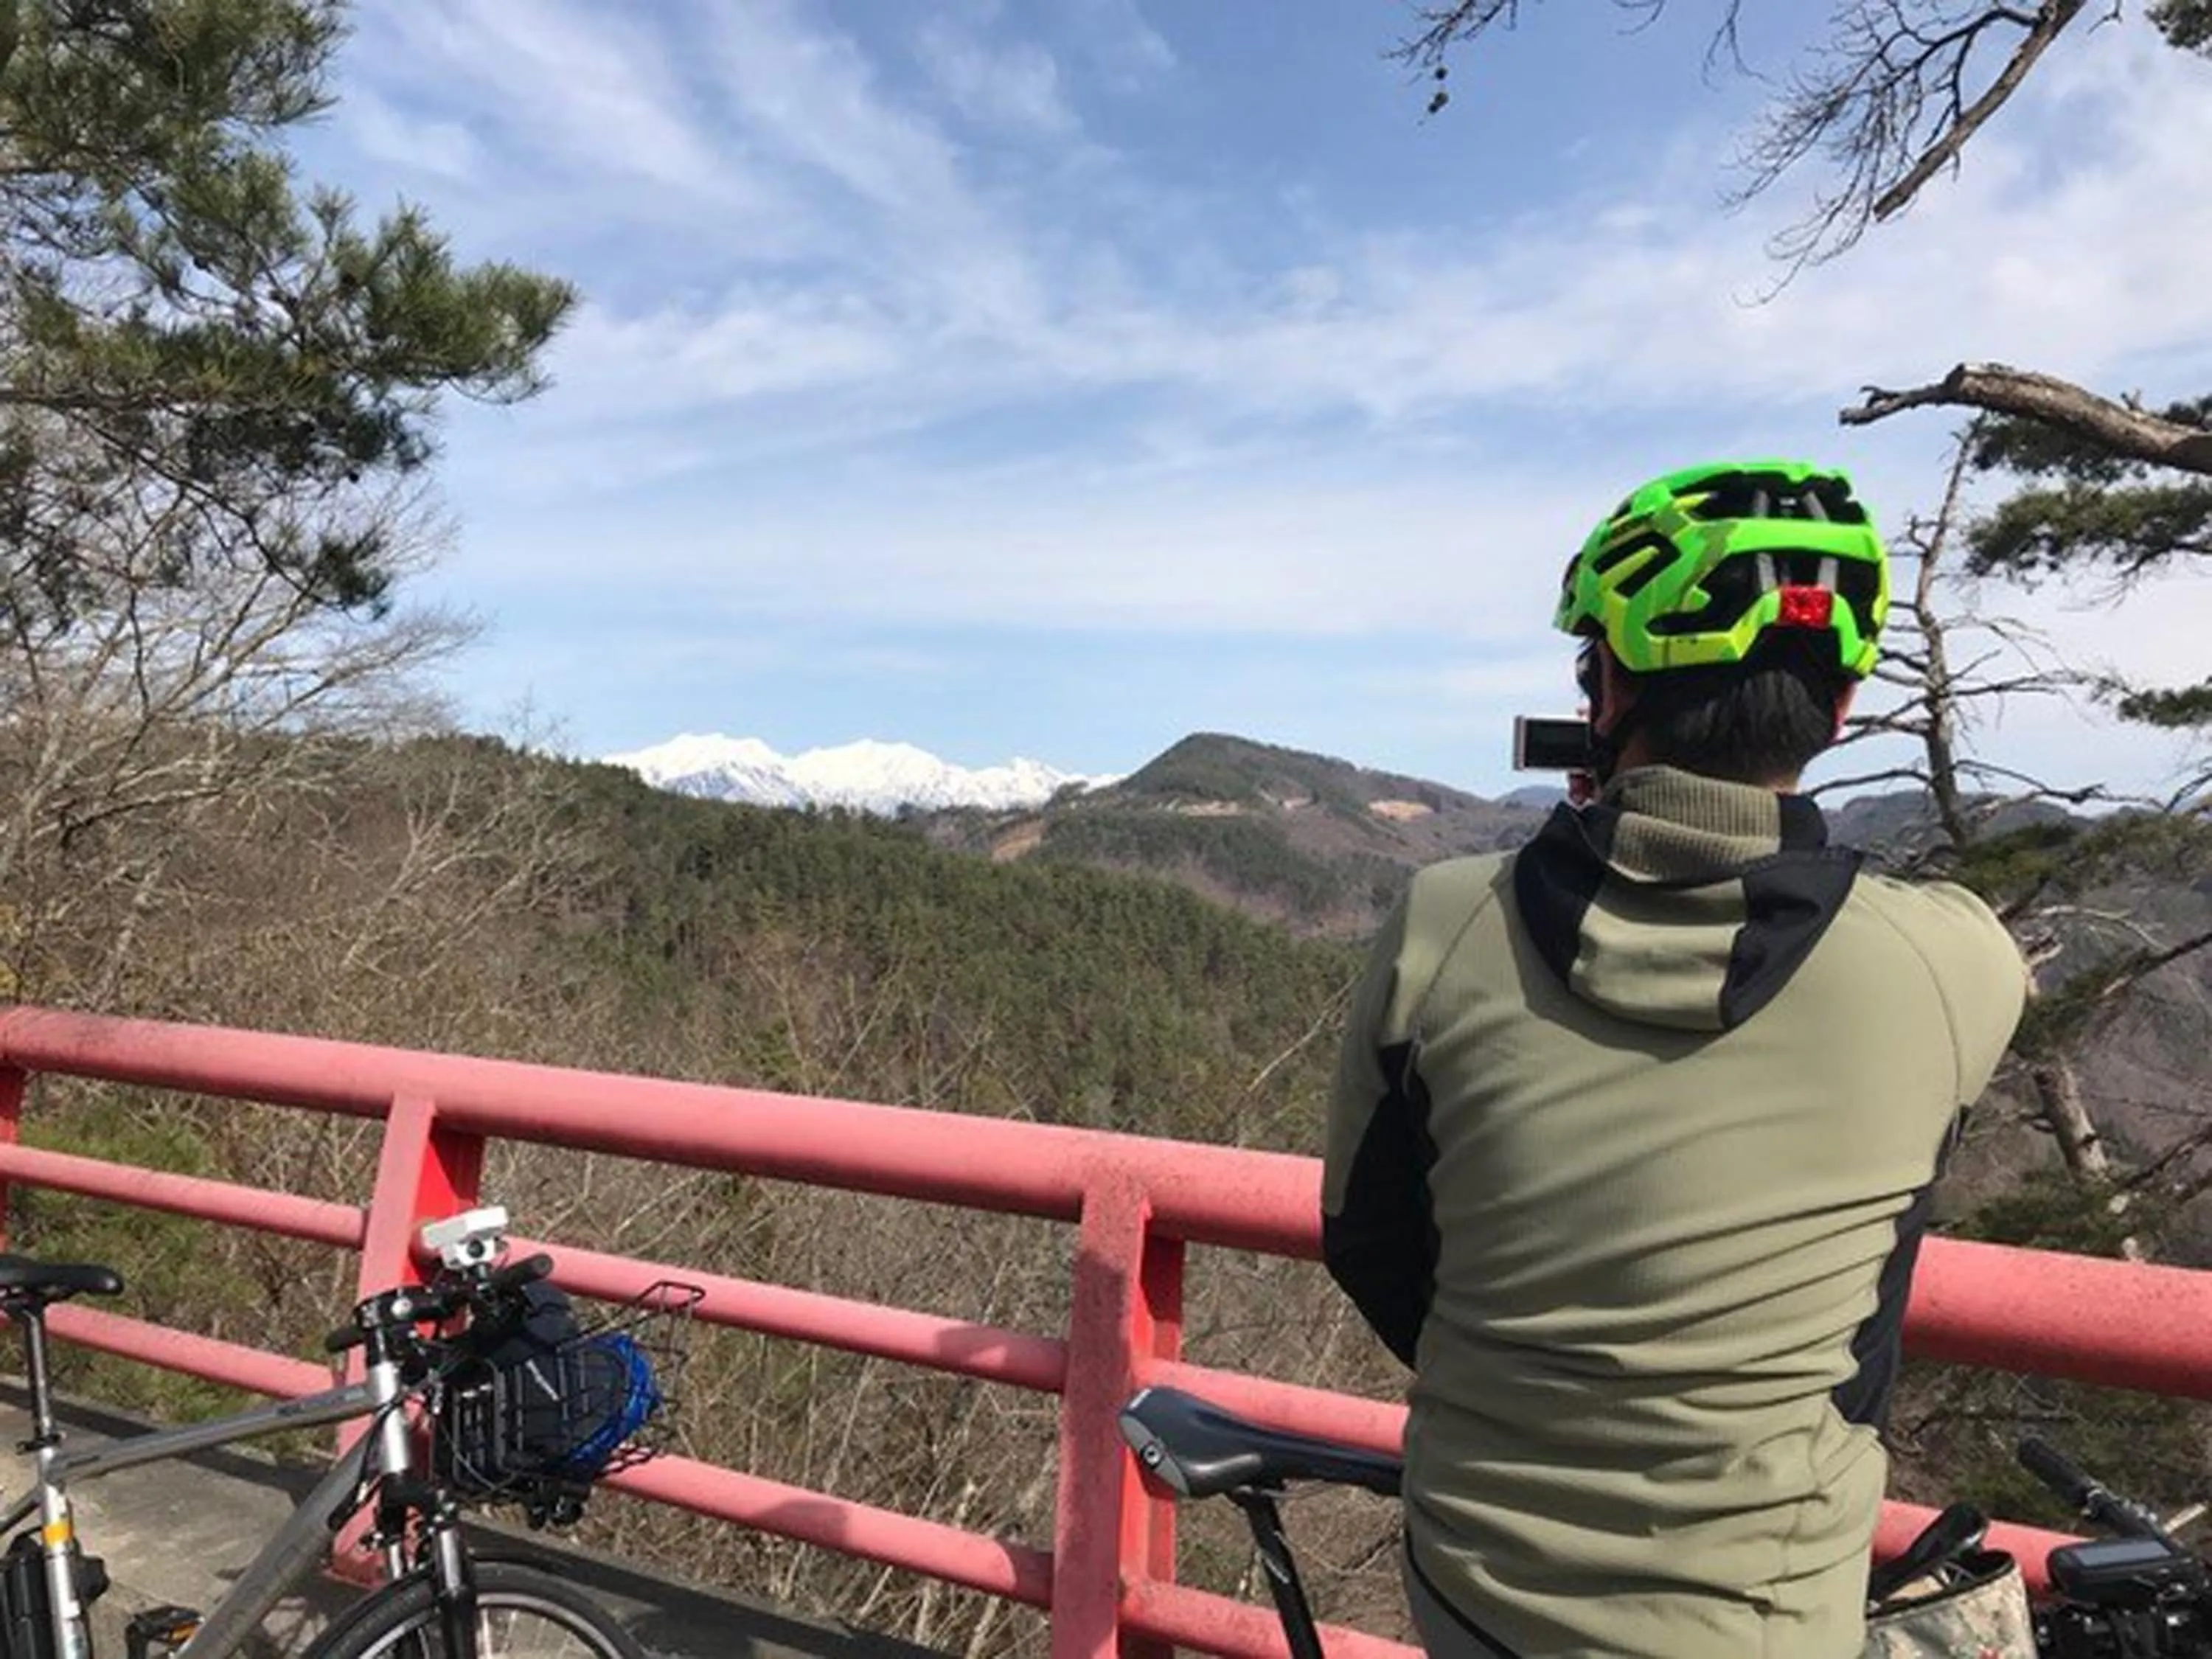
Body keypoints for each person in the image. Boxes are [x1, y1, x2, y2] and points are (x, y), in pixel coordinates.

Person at [1321, 460, 2031, 1659]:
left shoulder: (1446, 926)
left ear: (1607, 688)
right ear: (1842, 705)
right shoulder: (1951, 962)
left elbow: (1370, 1238)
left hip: (1477, 1583)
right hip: (1766, 1614)